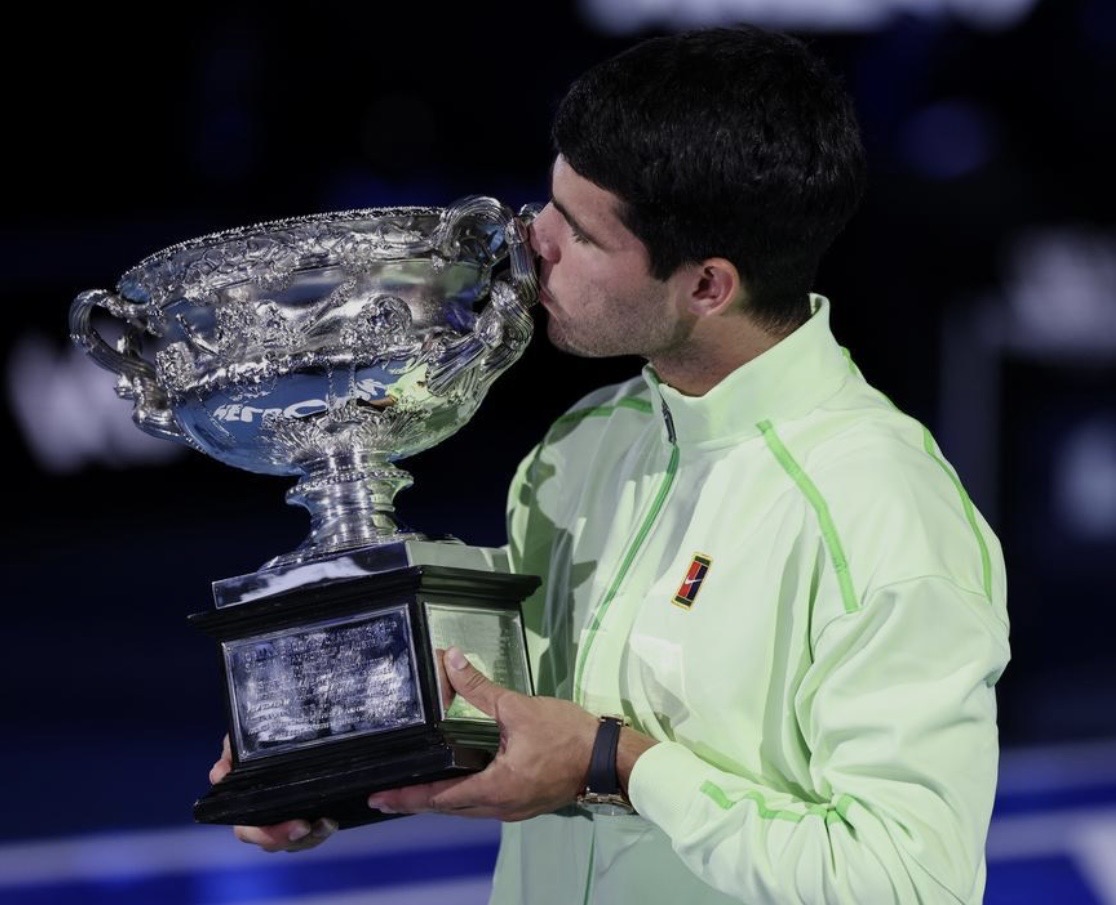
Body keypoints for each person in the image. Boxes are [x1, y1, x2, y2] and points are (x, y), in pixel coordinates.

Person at [210, 22, 1011, 904]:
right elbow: (518, 737)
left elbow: (909, 881)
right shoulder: (581, 446)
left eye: (582, 234)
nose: (531, 240)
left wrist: (619, 762)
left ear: (707, 286)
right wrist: (334, 756)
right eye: (548, 201)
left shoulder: (880, 512)